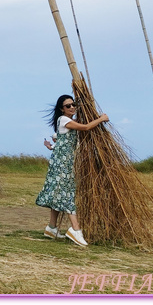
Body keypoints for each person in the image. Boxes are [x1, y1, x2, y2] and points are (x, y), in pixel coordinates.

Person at [35, 94, 109, 247]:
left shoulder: (67, 122)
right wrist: (101, 119)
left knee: (59, 192)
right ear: (62, 109)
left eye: (73, 104)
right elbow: (86, 127)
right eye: (68, 106)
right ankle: (75, 230)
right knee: (67, 192)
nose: (72, 107)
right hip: (62, 164)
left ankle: (52, 228)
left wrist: (51, 146)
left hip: (63, 162)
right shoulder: (64, 120)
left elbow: (62, 141)